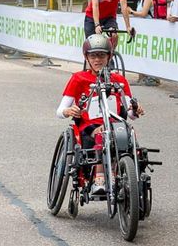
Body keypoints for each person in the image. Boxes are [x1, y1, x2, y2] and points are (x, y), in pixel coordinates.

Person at [56, 34, 144, 195]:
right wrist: (68, 111)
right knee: (103, 134)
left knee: (129, 135)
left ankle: (132, 178)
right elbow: (60, 111)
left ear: (109, 56)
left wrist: (136, 110)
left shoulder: (119, 80)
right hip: (89, 126)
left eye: (102, 55)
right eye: (93, 56)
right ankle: (100, 179)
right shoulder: (78, 78)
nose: (98, 60)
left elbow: (130, 114)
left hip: (116, 124)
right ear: (86, 57)